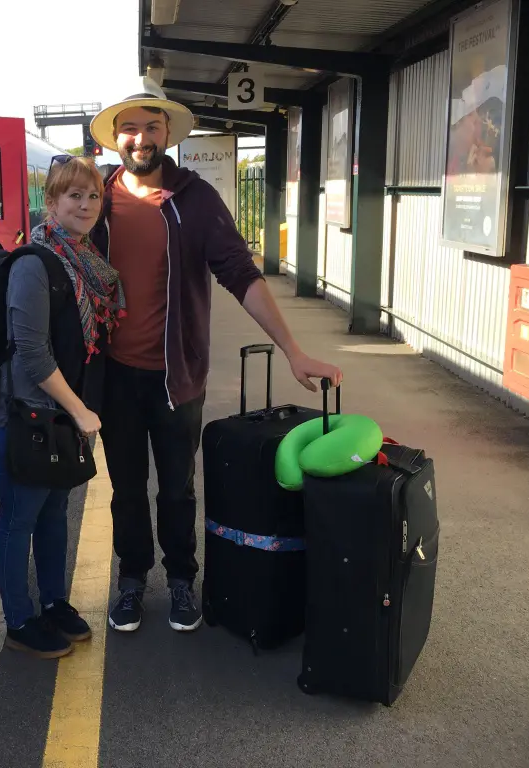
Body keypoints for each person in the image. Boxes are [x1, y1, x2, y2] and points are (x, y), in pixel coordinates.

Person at [86, 77, 344, 634]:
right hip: (114, 376)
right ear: (115, 139)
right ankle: (132, 579)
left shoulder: (195, 199)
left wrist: (292, 350)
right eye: (130, 127)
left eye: (152, 127)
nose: (141, 137)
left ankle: (181, 579)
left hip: (177, 376)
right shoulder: (97, 199)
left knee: (177, 486)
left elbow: (240, 274)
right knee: (127, 488)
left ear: (167, 135)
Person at [0, 155, 126, 658]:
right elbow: (31, 351)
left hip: (60, 417)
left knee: (53, 516)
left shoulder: (85, 261)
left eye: (93, 195)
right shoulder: (34, 262)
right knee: (20, 519)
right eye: (74, 195)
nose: (86, 205)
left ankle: (53, 604)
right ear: (51, 201)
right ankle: (18, 619)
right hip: (28, 414)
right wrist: (81, 410)